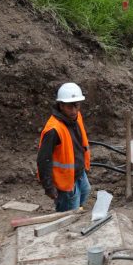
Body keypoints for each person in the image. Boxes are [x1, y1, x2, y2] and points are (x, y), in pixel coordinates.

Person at [37, 82, 92, 212]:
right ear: (61, 105)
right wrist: (49, 187)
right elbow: (43, 159)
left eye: (76, 105)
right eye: (69, 107)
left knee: (85, 191)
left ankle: (77, 213)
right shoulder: (53, 130)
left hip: (78, 172)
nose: (74, 111)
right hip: (65, 181)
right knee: (69, 212)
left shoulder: (76, 117)